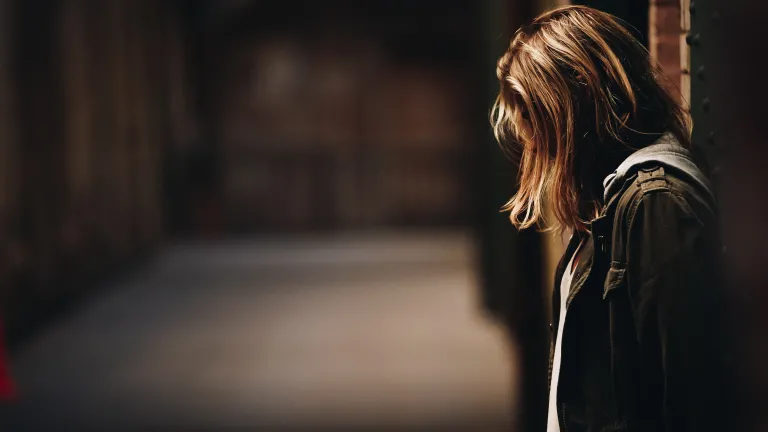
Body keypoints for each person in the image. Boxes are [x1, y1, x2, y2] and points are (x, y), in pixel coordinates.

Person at [491, 6, 731, 432]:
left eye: (534, 119)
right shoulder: (612, 202)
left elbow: (692, 398)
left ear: (570, 110)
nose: (531, 142)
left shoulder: (656, 203)